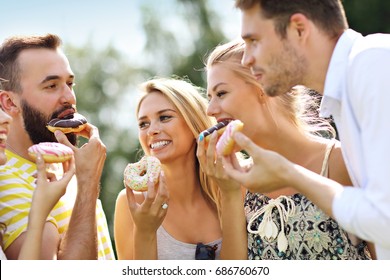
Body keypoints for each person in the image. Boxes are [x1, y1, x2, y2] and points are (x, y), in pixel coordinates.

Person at [222, 0, 390, 259]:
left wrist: (289, 174)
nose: (247, 58)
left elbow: (384, 218)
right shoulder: (346, 96)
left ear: (299, 29)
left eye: (254, 40)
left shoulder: (372, 64)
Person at [197, 39, 373, 259]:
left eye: (221, 93)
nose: (210, 110)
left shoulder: (343, 162)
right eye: (209, 98)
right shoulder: (238, 180)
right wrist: (230, 193)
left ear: (262, 87)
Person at [0, 34, 114, 259]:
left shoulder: (67, 171)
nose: (69, 97)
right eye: (51, 86)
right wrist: (88, 184)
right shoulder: (6, 182)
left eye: (70, 84)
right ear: (10, 103)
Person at [114, 77, 222, 260]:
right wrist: (144, 231)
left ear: (193, 121)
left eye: (164, 117)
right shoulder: (132, 203)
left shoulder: (230, 189)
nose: (152, 131)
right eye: (143, 124)